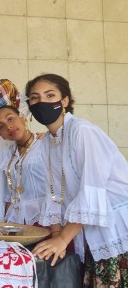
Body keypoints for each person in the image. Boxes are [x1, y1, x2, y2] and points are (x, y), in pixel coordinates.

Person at [26, 74, 128, 286]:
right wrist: (56, 236)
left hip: (115, 227)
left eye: (50, 95)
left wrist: (63, 239)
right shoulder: (47, 142)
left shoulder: (82, 131)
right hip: (86, 231)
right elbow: (53, 193)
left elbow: (92, 191)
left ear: (64, 101)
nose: (42, 102)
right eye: (34, 98)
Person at [0, 105, 48, 225]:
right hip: (18, 221)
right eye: (1, 127)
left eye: (10, 119)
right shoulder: (9, 155)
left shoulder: (45, 144)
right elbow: (10, 194)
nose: (8, 126)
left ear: (23, 118)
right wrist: (7, 225)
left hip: (46, 219)